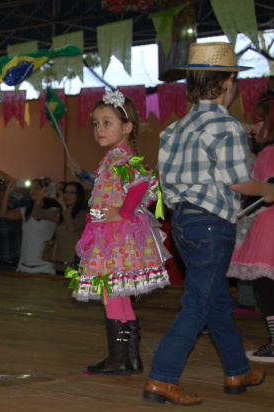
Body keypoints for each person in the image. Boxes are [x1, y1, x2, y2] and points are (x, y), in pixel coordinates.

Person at [144, 42, 272, 405]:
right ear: (230, 81)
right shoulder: (227, 126)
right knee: (199, 303)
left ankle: (237, 368)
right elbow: (239, 182)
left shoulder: (173, 130)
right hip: (214, 224)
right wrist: (266, 189)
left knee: (215, 301)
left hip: (183, 221)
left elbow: (166, 185)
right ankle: (162, 377)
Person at [71, 90, 170, 376]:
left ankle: (119, 359)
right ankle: (130, 358)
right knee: (118, 294)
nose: (99, 129)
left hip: (115, 236)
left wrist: (121, 212)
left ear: (127, 127)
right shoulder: (119, 155)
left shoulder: (119, 156)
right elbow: (147, 185)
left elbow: (141, 185)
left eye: (107, 122)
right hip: (116, 234)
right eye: (95, 123)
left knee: (111, 293)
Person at [227, 87, 274, 362]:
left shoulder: (268, 151)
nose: (252, 127)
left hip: (268, 225)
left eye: (257, 121)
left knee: (266, 284)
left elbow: (263, 190)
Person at [0, 178, 58, 274]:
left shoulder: (53, 211)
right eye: (31, 188)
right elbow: (3, 214)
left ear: (45, 190)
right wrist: (8, 191)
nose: (33, 191)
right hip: (23, 265)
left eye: (37, 188)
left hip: (44, 266)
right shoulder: (25, 211)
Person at [38, 181, 87, 273]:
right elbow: (37, 214)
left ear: (79, 195)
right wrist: (42, 196)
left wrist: (63, 206)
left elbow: (72, 228)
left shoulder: (83, 214)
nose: (67, 195)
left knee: (71, 287)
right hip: (58, 261)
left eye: (72, 192)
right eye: (66, 192)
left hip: (74, 262)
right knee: (58, 287)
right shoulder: (59, 213)